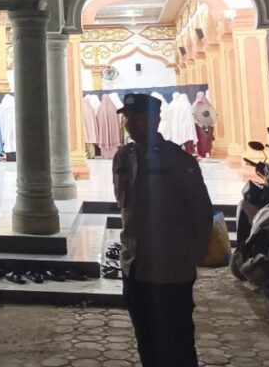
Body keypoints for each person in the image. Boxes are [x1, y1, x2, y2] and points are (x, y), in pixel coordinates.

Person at [113, 92, 213, 367]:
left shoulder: (178, 160)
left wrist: (193, 255)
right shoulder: (123, 157)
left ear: (155, 120)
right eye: (128, 118)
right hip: (135, 265)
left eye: (138, 118)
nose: (131, 124)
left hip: (171, 268)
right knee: (146, 338)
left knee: (178, 338)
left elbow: (200, 210)